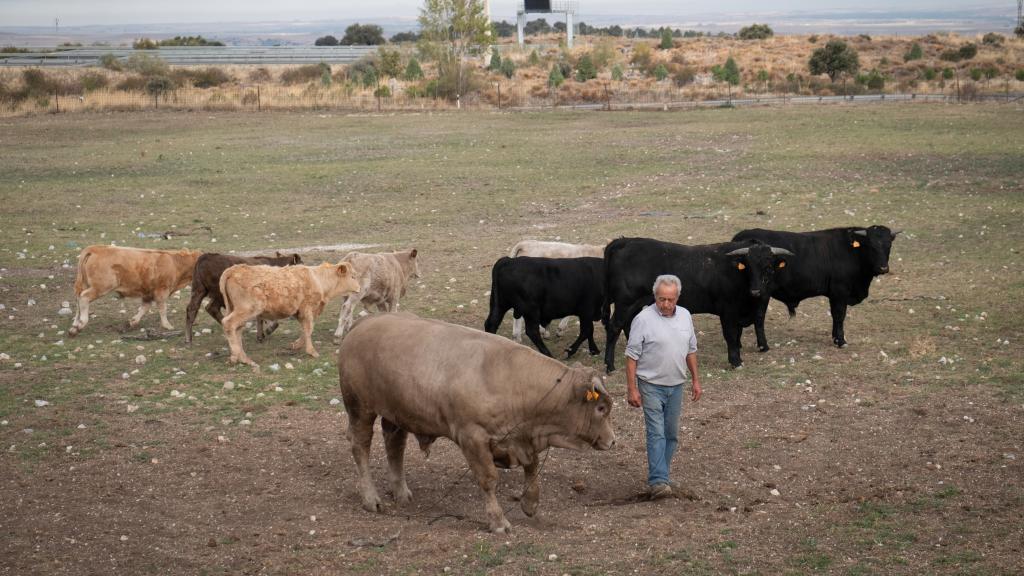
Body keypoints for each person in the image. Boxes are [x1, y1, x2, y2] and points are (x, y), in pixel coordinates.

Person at [625, 274, 702, 500]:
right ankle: (658, 480)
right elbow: (631, 357)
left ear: (677, 297)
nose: (665, 304)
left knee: (671, 434)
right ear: (655, 297)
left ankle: (663, 475)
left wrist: (696, 380)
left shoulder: (686, 316)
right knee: (656, 432)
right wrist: (632, 388)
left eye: (670, 299)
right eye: (661, 299)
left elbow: (691, 350)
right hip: (650, 384)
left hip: (676, 384)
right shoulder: (642, 319)